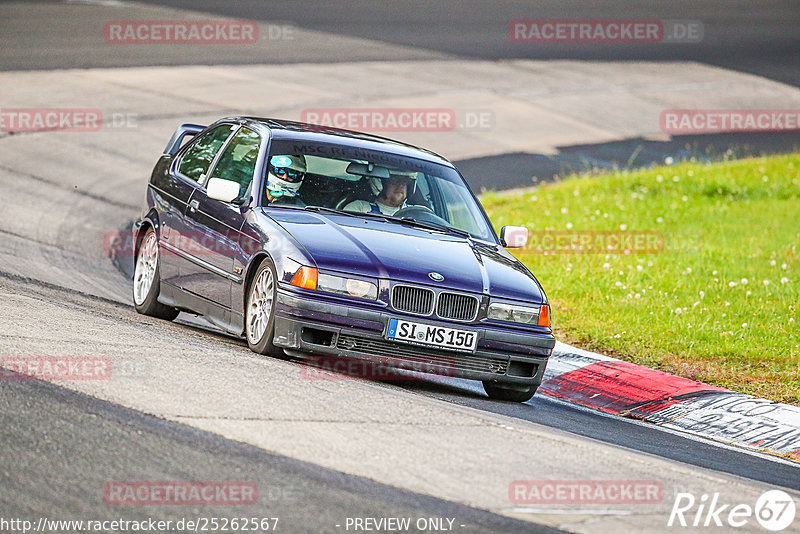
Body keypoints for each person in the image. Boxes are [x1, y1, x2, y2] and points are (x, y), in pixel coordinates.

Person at [344, 170, 417, 216]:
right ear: (378, 184)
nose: (401, 185)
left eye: (404, 182)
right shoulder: (358, 208)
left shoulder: (416, 212)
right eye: (394, 181)